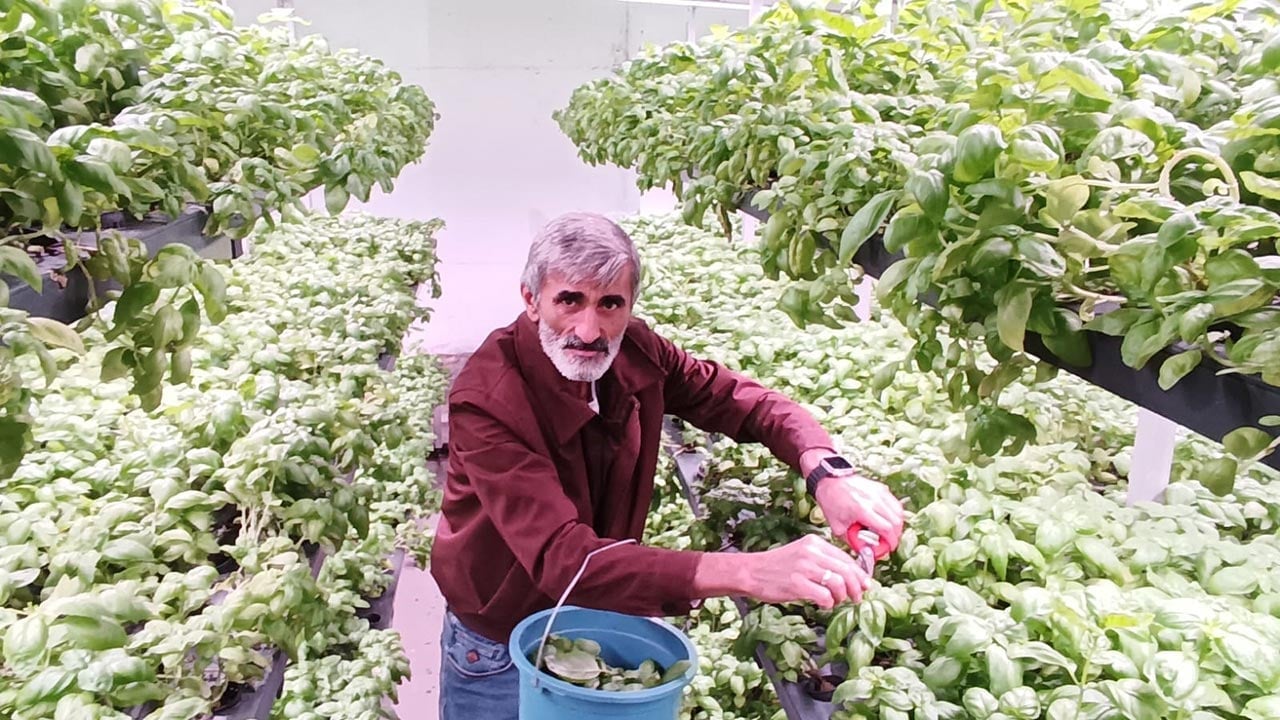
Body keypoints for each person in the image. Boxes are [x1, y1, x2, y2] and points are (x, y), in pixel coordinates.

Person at [430, 212, 905, 719]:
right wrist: (749, 571)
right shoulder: (489, 398)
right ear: (531, 299)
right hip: (499, 642)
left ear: (629, 304)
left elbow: (738, 400)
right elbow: (565, 559)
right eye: (569, 300)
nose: (589, 329)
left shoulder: (634, 349)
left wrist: (826, 472)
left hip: (598, 622)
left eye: (610, 303)